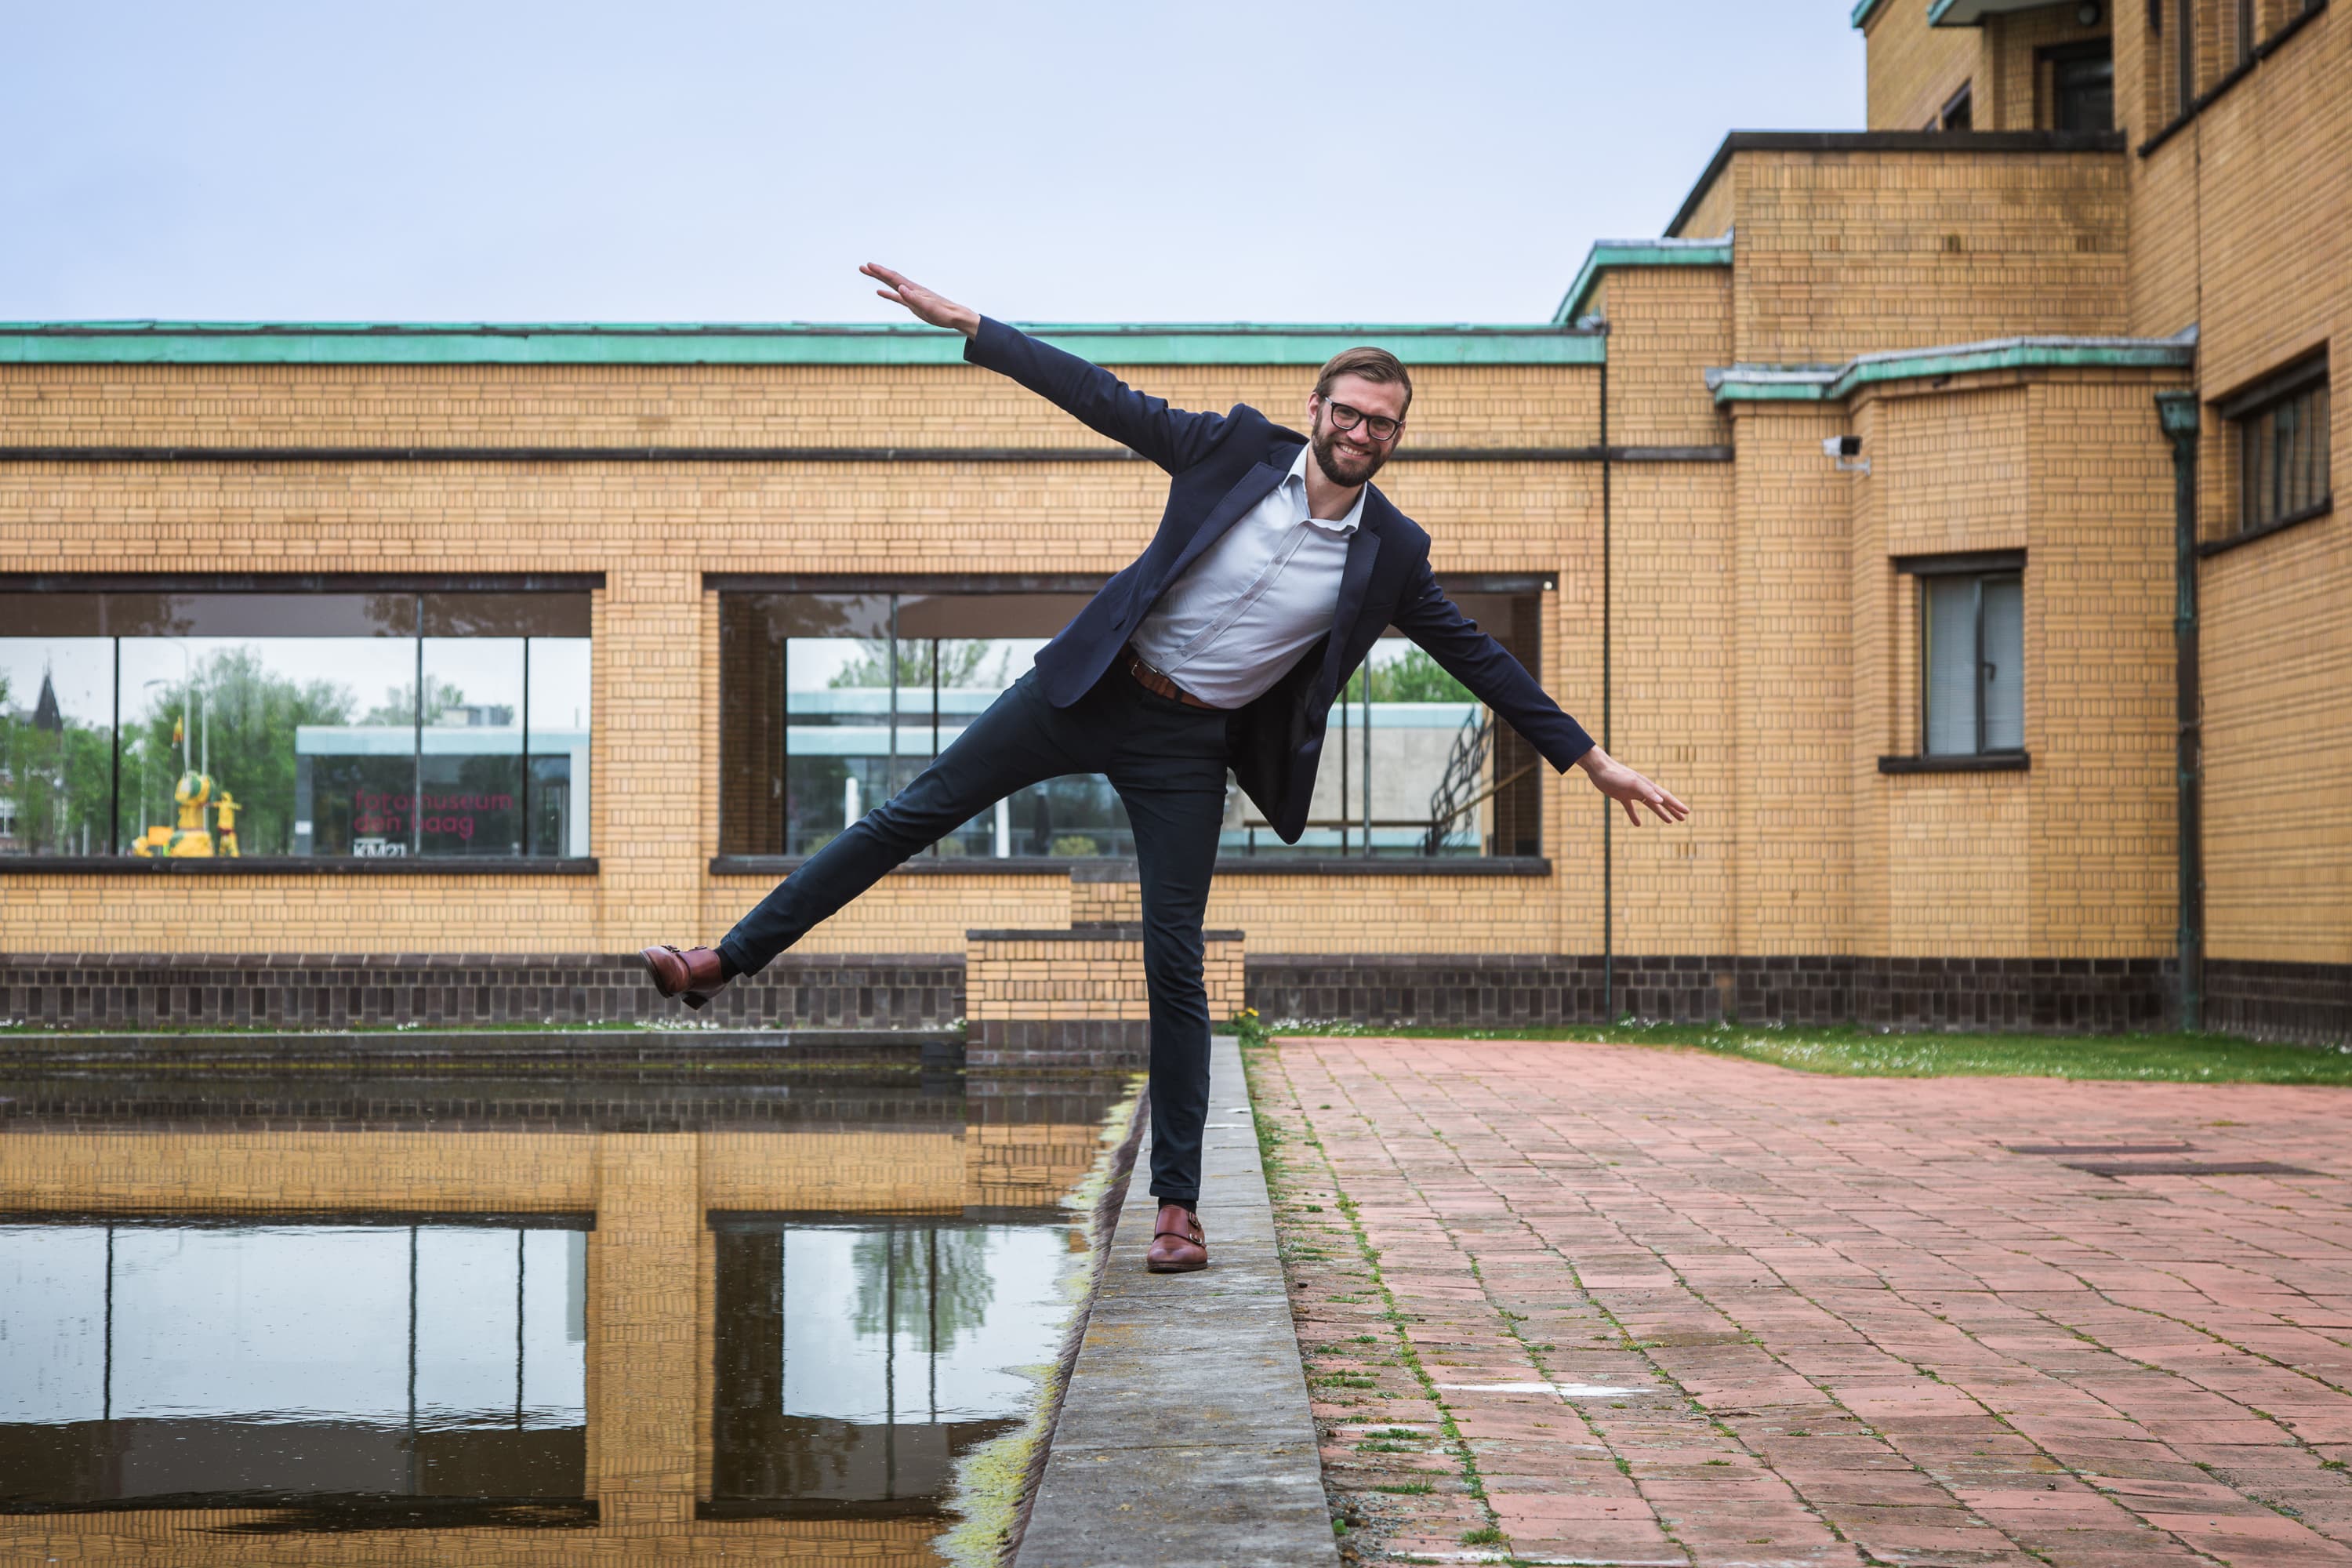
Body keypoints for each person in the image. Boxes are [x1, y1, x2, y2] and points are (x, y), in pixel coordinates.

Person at [645, 263, 1690, 1273]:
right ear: (1317, 406)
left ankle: (1178, 1210)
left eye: (1384, 423)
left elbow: (1480, 656)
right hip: (1092, 687)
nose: (1362, 433)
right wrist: (975, 327)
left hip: (1189, 746)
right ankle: (726, 962)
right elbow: (1105, 399)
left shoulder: (1391, 554)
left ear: (1395, 437)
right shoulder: (1231, 450)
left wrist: (1588, 759)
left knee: (1174, 963)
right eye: (1350, 412)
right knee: (909, 815)